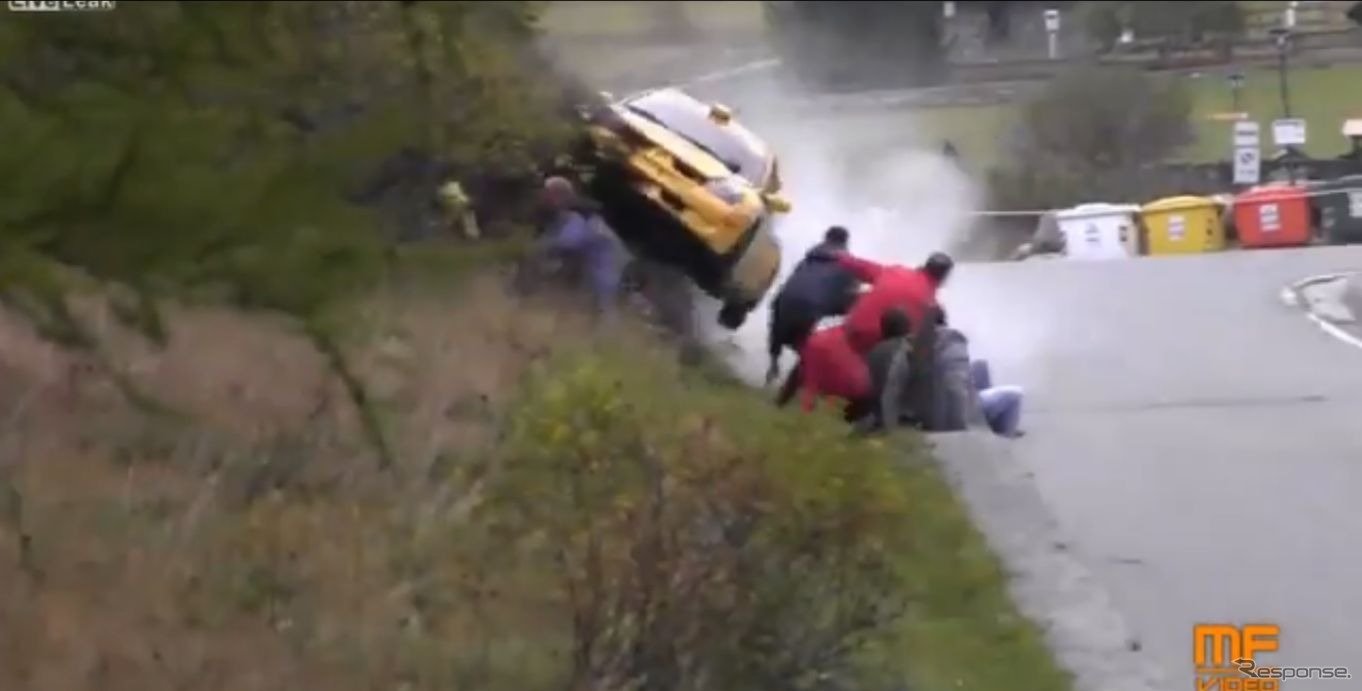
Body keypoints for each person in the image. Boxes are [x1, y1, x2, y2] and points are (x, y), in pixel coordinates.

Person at [767, 226, 868, 403]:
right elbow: (847, 303)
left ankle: (774, 364)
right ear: (845, 243)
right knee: (810, 350)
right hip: (810, 309)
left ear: (826, 239)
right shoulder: (849, 266)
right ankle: (791, 396)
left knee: (784, 321)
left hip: (782, 304)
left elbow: (794, 283)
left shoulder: (809, 258)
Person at [537, 176, 626, 318]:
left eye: (547, 193)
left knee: (604, 307)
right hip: (601, 264)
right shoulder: (576, 211)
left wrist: (543, 247)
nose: (543, 197)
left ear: (556, 195)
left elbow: (568, 241)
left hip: (607, 267)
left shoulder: (577, 214)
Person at [835, 251, 955, 354]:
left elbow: (863, 267)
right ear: (943, 278)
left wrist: (842, 258)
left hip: (848, 329)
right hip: (871, 347)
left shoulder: (895, 271)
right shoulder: (930, 304)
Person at [852, 307, 914, 433]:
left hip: (873, 419)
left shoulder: (872, 353)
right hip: (900, 421)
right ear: (908, 326)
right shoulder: (910, 350)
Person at [795, 322, 871, 420]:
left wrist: (805, 414)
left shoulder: (812, 349)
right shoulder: (834, 333)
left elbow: (810, 389)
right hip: (865, 386)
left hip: (854, 392)